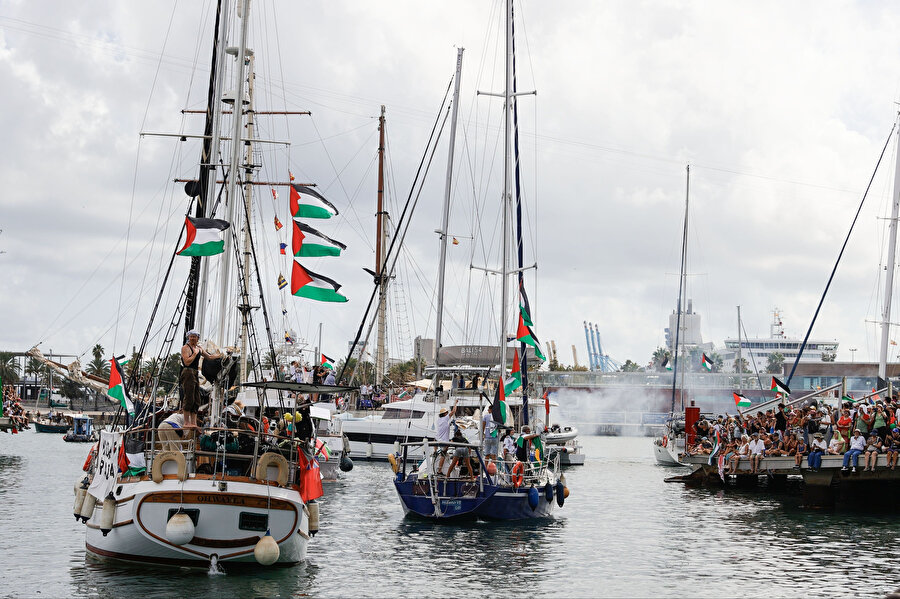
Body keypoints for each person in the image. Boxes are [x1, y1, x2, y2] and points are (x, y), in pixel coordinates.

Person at [180, 329, 221, 430]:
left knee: (196, 398)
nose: (193, 338)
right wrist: (194, 354)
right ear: (188, 337)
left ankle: (193, 422)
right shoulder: (185, 348)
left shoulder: (199, 348)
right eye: (191, 336)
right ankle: (186, 422)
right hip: (188, 371)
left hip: (194, 373)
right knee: (189, 397)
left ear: (198, 338)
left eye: (195, 336)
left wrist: (221, 356)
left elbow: (209, 357)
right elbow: (187, 362)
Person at [435, 400, 459, 474]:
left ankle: (435, 452)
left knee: (442, 453)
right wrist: (455, 403)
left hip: (438, 439)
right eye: (446, 413)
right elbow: (453, 411)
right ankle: (439, 470)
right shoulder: (445, 418)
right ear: (445, 414)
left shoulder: (439, 420)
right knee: (443, 455)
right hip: (444, 440)